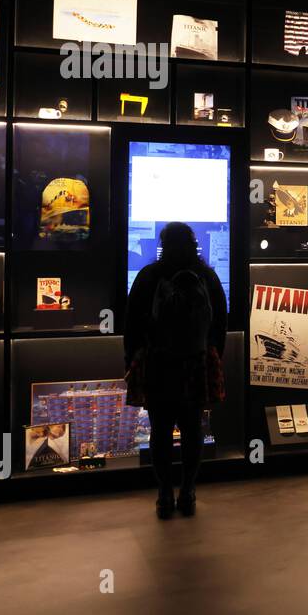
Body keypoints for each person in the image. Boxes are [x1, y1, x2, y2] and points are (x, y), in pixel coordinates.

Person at [124, 222, 227, 519]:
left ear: (163, 244)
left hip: (159, 363)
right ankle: (189, 491)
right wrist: (214, 357)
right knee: (193, 429)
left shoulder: (149, 275)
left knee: (160, 431)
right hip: (195, 364)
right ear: (194, 244)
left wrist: (132, 359)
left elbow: (132, 324)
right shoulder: (207, 276)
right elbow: (220, 323)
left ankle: (164, 494)